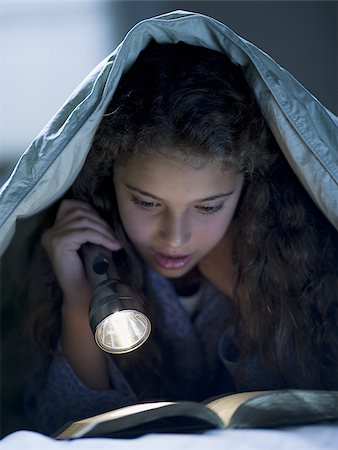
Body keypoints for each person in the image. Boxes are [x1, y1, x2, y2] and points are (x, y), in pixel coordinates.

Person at [23, 40, 337, 435]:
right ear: (111, 182)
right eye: (146, 203)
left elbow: (317, 403)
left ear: (248, 190)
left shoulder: (288, 256)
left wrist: (246, 292)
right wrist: (79, 300)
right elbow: (61, 430)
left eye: (208, 207)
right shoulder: (83, 257)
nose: (175, 238)